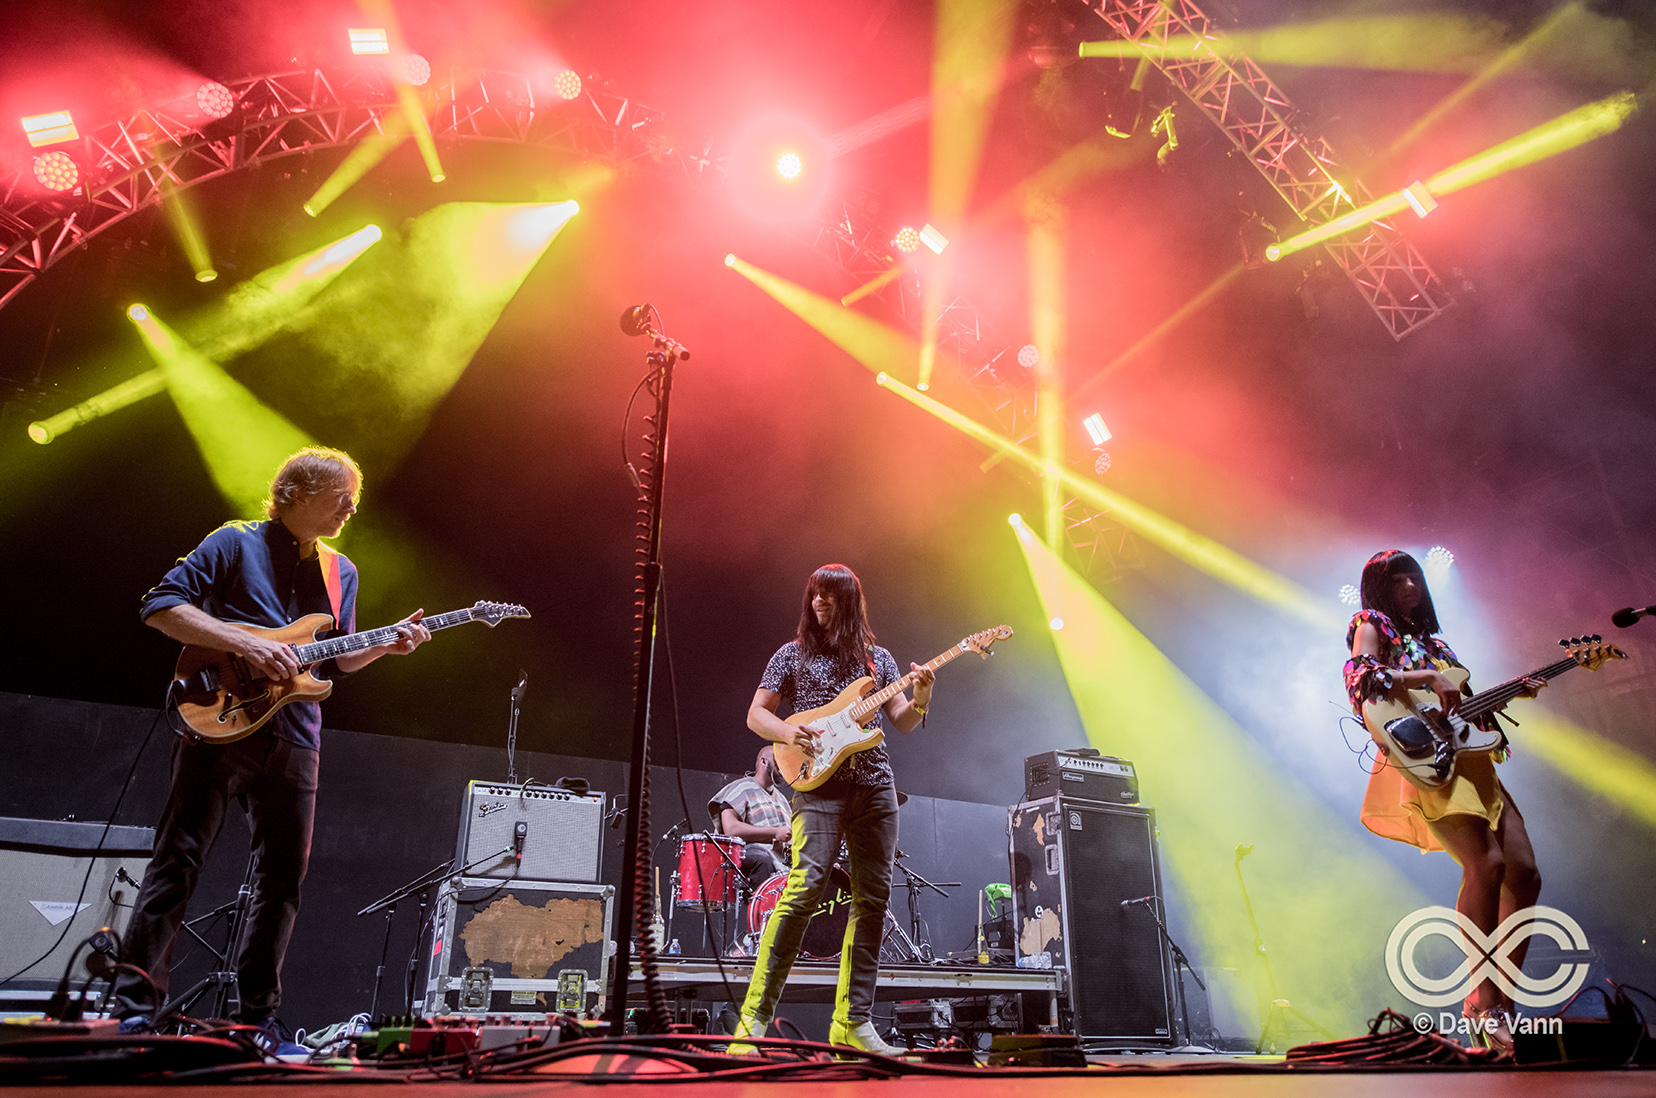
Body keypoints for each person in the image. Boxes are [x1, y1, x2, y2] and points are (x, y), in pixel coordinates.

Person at [112, 447, 430, 1050]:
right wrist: (243, 642)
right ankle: (134, 1006)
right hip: (220, 720)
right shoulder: (234, 543)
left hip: (297, 735)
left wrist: (386, 646)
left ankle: (256, 1018)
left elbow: (337, 657)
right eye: (341, 496)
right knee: (178, 860)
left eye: (354, 499)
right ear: (300, 492)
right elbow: (160, 606)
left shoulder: (343, 571)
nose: (351, 508)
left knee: (283, 881)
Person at [730, 563, 934, 1056]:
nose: (819, 602)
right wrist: (786, 732)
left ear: (849, 601)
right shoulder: (791, 655)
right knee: (803, 888)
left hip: (875, 789)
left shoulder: (877, 660)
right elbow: (757, 713)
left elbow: (902, 722)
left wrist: (922, 696)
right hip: (816, 789)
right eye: (814, 595)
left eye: (829, 595)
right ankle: (753, 1022)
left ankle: (853, 1024)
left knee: (872, 903)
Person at [1344, 550, 1543, 1052]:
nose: (1411, 582)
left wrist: (1513, 693)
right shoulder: (1372, 623)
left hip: (1470, 762)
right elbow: (1360, 674)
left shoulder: (1437, 643)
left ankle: (1498, 997)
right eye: (1399, 576)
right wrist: (1425, 678)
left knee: (1524, 874)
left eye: (1415, 574)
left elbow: (1459, 711)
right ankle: (1485, 997)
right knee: (1487, 865)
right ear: (1379, 587)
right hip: (1431, 765)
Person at [708, 745, 792, 891]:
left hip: (781, 860)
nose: (783, 768)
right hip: (749, 854)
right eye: (779, 762)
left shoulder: (782, 800)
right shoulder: (741, 788)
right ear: (764, 762)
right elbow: (731, 829)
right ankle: (762, 910)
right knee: (762, 860)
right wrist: (774, 832)